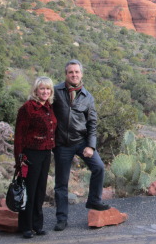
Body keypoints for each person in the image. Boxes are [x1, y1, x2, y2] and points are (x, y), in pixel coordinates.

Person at [52, 59, 110, 232]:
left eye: (77, 72)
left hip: (81, 142)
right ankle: (61, 219)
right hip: (62, 144)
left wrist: (91, 146)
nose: (74, 75)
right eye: (71, 72)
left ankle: (93, 200)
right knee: (61, 183)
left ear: (81, 74)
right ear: (66, 74)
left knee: (99, 167)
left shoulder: (87, 97)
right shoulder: (56, 91)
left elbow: (92, 124)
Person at [14, 76, 57, 239]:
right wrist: (20, 159)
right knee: (29, 191)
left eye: (48, 89)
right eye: (42, 88)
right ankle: (26, 227)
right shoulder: (27, 108)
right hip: (30, 154)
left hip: (46, 153)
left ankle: (37, 225)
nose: (45, 92)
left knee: (40, 190)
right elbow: (19, 135)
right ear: (35, 90)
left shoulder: (48, 107)